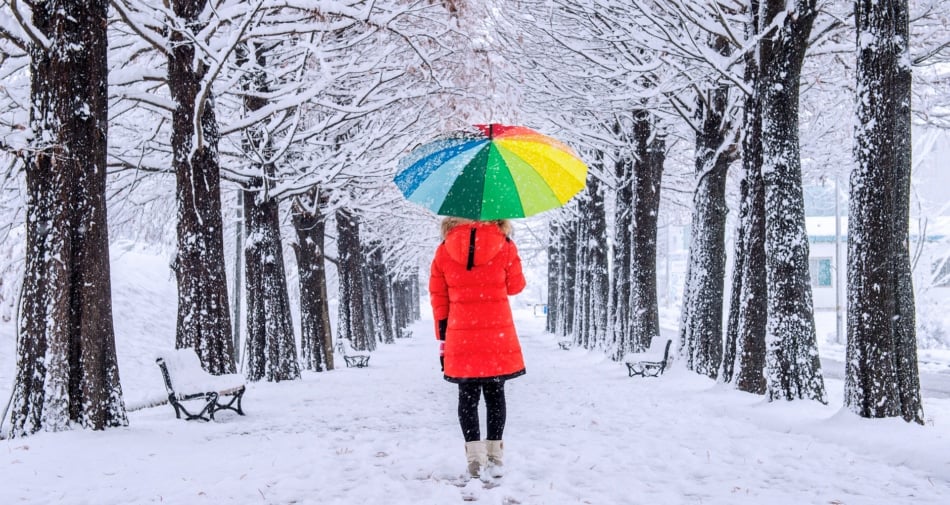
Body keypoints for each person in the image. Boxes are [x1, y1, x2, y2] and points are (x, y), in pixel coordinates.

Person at [429, 216, 527, 479]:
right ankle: (495, 456)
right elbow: (516, 286)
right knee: (495, 394)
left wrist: (443, 339)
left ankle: (475, 459)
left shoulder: (443, 250)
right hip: (497, 334)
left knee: (467, 397)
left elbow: (439, 299)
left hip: (461, 335)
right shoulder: (504, 245)